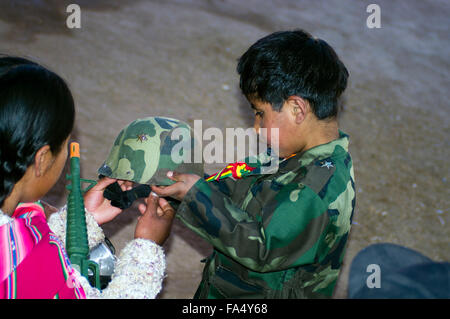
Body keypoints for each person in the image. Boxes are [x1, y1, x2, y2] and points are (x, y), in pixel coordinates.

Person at [152, 30, 355, 298]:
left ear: (297, 109)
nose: (256, 128)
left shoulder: (317, 190)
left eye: (260, 114)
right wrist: (182, 188)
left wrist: (196, 196)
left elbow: (261, 248)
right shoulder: (290, 153)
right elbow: (241, 187)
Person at [0, 56, 174, 299]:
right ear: (42, 159)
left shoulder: (15, 223)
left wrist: (82, 221)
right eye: (65, 144)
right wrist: (147, 248)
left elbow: (25, 243)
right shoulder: (27, 269)